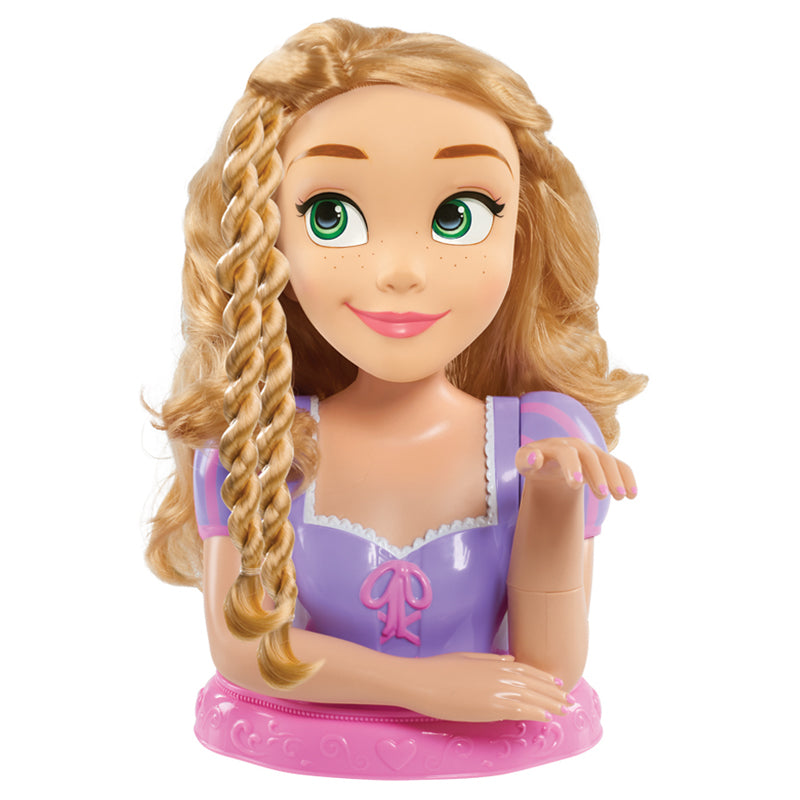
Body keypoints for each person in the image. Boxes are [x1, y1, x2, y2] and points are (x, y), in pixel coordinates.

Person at [147, 19, 646, 778]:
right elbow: (245, 650)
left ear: (522, 233)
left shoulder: (541, 436)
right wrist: (418, 688)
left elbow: (547, 675)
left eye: (458, 216)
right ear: (268, 242)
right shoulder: (261, 440)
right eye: (332, 217)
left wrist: (552, 506)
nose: (402, 270)